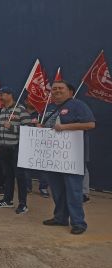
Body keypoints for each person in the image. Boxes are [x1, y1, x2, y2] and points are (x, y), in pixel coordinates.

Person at [41, 80, 95, 235]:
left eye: (60, 88)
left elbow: (90, 124)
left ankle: (78, 223)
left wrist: (64, 127)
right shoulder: (52, 108)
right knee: (57, 190)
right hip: (54, 158)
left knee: (73, 191)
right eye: (54, 89)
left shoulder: (77, 105)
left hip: (72, 158)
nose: (57, 91)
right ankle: (60, 218)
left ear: (70, 92)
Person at [0, 87, 31, 213]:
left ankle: (23, 204)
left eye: (3, 94)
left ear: (10, 95)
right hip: (3, 147)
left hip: (16, 148)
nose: (0, 97)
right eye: (0, 95)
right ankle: (7, 200)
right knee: (7, 175)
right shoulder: (0, 111)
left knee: (20, 176)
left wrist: (12, 127)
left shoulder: (21, 110)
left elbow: (28, 129)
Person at [23, 100, 49, 198]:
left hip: (41, 144)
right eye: (29, 99)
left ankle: (43, 187)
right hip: (25, 144)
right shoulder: (22, 112)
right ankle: (27, 186)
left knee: (42, 166)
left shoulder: (42, 113)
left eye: (34, 98)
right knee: (26, 166)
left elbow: (51, 126)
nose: (32, 101)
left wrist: (43, 126)